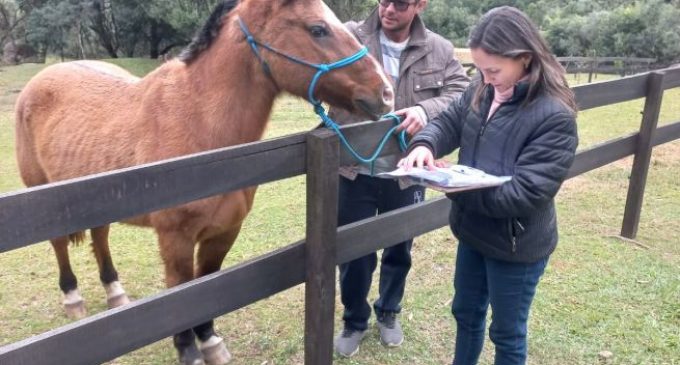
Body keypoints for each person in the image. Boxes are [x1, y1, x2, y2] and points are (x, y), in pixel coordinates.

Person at [399, 6, 578, 365]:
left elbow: (527, 192)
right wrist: (424, 145)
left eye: (493, 69)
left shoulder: (554, 116)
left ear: (524, 58)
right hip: (474, 232)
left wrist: (455, 187)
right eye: (480, 69)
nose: (485, 77)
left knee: (507, 334)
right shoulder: (481, 88)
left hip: (517, 243)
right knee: (466, 314)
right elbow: (449, 120)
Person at [328, 0, 470, 358]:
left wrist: (426, 109)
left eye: (402, 2)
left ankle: (389, 312)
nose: (389, 8)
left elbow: (462, 93)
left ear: (421, 4)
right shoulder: (348, 36)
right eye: (383, 0)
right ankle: (354, 319)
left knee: (399, 248)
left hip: (407, 171)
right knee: (354, 251)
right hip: (352, 169)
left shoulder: (439, 49)